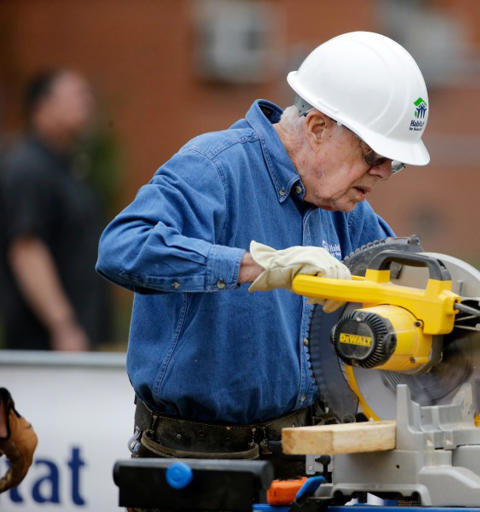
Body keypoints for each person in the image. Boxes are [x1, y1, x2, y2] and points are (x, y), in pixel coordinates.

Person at [96, 32, 430, 475]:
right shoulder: (214, 166)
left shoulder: (348, 209)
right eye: (374, 155)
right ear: (316, 128)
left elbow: (416, 289)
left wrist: (476, 354)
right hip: (198, 462)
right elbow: (123, 246)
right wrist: (255, 265)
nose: (384, 173)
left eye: (394, 162)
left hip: (305, 458)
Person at [0, 69, 111, 351]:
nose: (86, 102)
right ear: (42, 106)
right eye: (76, 95)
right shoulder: (27, 168)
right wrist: (62, 325)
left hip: (83, 336)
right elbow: (26, 248)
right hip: (46, 344)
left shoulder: (68, 167)